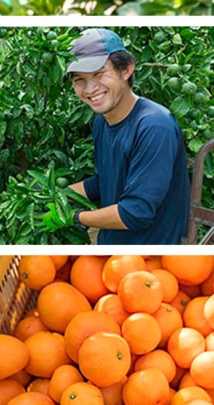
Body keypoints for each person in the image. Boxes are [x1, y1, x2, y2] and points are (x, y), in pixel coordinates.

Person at [64, 28, 190, 245]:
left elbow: (136, 212)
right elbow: (104, 181)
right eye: (79, 80)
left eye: (99, 74)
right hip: (111, 249)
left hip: (150, 253)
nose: (90, 88)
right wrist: (55, 196)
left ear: (126, 70)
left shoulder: (154, 126)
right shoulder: (102, 122)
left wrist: (74, 218)